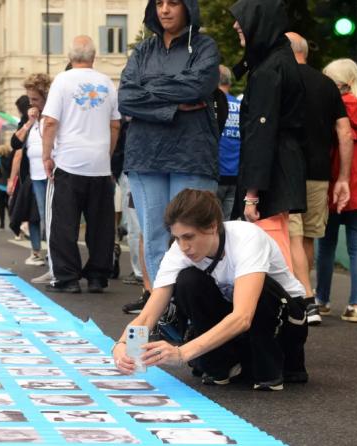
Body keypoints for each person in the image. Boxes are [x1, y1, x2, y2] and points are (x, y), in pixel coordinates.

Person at [112, 189, 308, 391]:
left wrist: (182, 353)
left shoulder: (247, 238)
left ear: (213, 227)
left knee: (259, 287)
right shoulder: (178, 252)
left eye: (189, 237)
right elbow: (146, 317)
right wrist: (123, 346)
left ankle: (267, 366)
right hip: (237, 319)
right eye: (177, 238)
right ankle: (221, 365)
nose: (184, 246)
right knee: (188, 280)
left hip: (283, 321)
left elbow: (242, 317)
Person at [118, 0, 220, 307]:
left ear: (188, 7)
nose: (164, 9)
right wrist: (173, 106)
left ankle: (196, 310)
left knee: (194, 235)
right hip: (145, 155)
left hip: (192, 152)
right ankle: (163, 310)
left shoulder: (205, 47)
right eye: (159, 3)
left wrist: (149, 92)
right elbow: (125, 97)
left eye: (173, 2)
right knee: (153, 237)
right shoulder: (143, 51)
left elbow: (198, 87)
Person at [229, 0, 306, 271]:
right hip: (280, 171)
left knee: (268, 254)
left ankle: (284, 308)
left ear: (259, 22)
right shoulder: (280, 61)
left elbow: (261, 133)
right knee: (276, 248)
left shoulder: (268, 71)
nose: (236, 24)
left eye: (243, 18)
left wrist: (252, 195)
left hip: (269, 177)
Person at [41, 35, 121, 294]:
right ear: (94, 57)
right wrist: (106, 154)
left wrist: (46, 156)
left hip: (69, 161)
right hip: (99, 163)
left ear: (69, 57)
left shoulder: (62, 81)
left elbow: (50, 122)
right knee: (100, 225)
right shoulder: (107, 82)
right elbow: (115, 124)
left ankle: (67, 277)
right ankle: (98, 276)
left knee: (64, 223)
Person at [285, 32, 353, 325]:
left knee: (292, 235)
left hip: (287, 170)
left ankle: (303, 299)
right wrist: (344, 177)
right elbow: (345, 132)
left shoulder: (280, 80)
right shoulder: (327, 85)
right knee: (309, 235)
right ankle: (305, 294)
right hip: (319, 172)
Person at [316, 59, 357, 323]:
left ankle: (322, 300)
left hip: (334, 183)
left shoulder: (331, 110)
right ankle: (356, 306)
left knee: (326, 244)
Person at [9, 76, 50, 268]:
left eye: (35, 99)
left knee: (51, 216)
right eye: (30, 99)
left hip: (51, 173)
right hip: (32, 176)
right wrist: (28, 122)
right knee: (39, 215)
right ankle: (39, 252)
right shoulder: (29, 118)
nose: (31, 103)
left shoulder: (53, 114)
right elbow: (15, 144)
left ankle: (52, 254)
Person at [216, 65, 241, 220]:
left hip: (216, 174)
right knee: (229, 227)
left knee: (211, 225)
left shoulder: (212, 105)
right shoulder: (241, 106)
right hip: (237, 175)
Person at [0, 144, 12, 229]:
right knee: (10, 204)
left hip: (0, 185)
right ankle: (12, 221)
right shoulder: (11, 160)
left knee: (1, 205)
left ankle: (2, 223)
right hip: (10, 184)